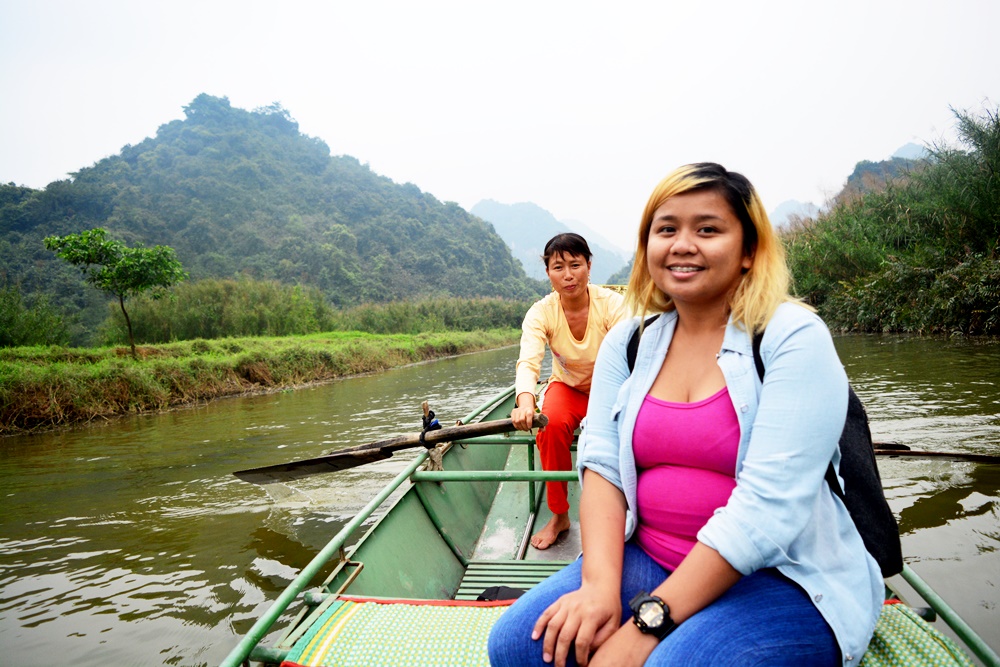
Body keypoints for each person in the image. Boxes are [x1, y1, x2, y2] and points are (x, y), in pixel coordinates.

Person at [489, 163, 883, 666]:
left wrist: (647, 625)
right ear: (647, 247)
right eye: (667, 229)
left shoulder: (791, 338)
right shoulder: (629, 344)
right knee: (517, 647)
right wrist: (600, 587)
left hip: (780, 575)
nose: (682, 244)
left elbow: (768, 505)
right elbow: (604, 463)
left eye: (708, 229)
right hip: (649, 555)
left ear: (749, 251)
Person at [511, 233, 626, 550]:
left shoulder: (613, 305)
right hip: (568, 386)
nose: (568, 274)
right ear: (548, 272)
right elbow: (529, 363)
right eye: (558, 266)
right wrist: (525, 403)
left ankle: (625, 509)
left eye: (575, 265)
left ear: (589, 266)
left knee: (630, 430)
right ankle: (559, 515)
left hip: (611, 387)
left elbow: (633, 356)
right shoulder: (541, 312)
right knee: (550, 426)